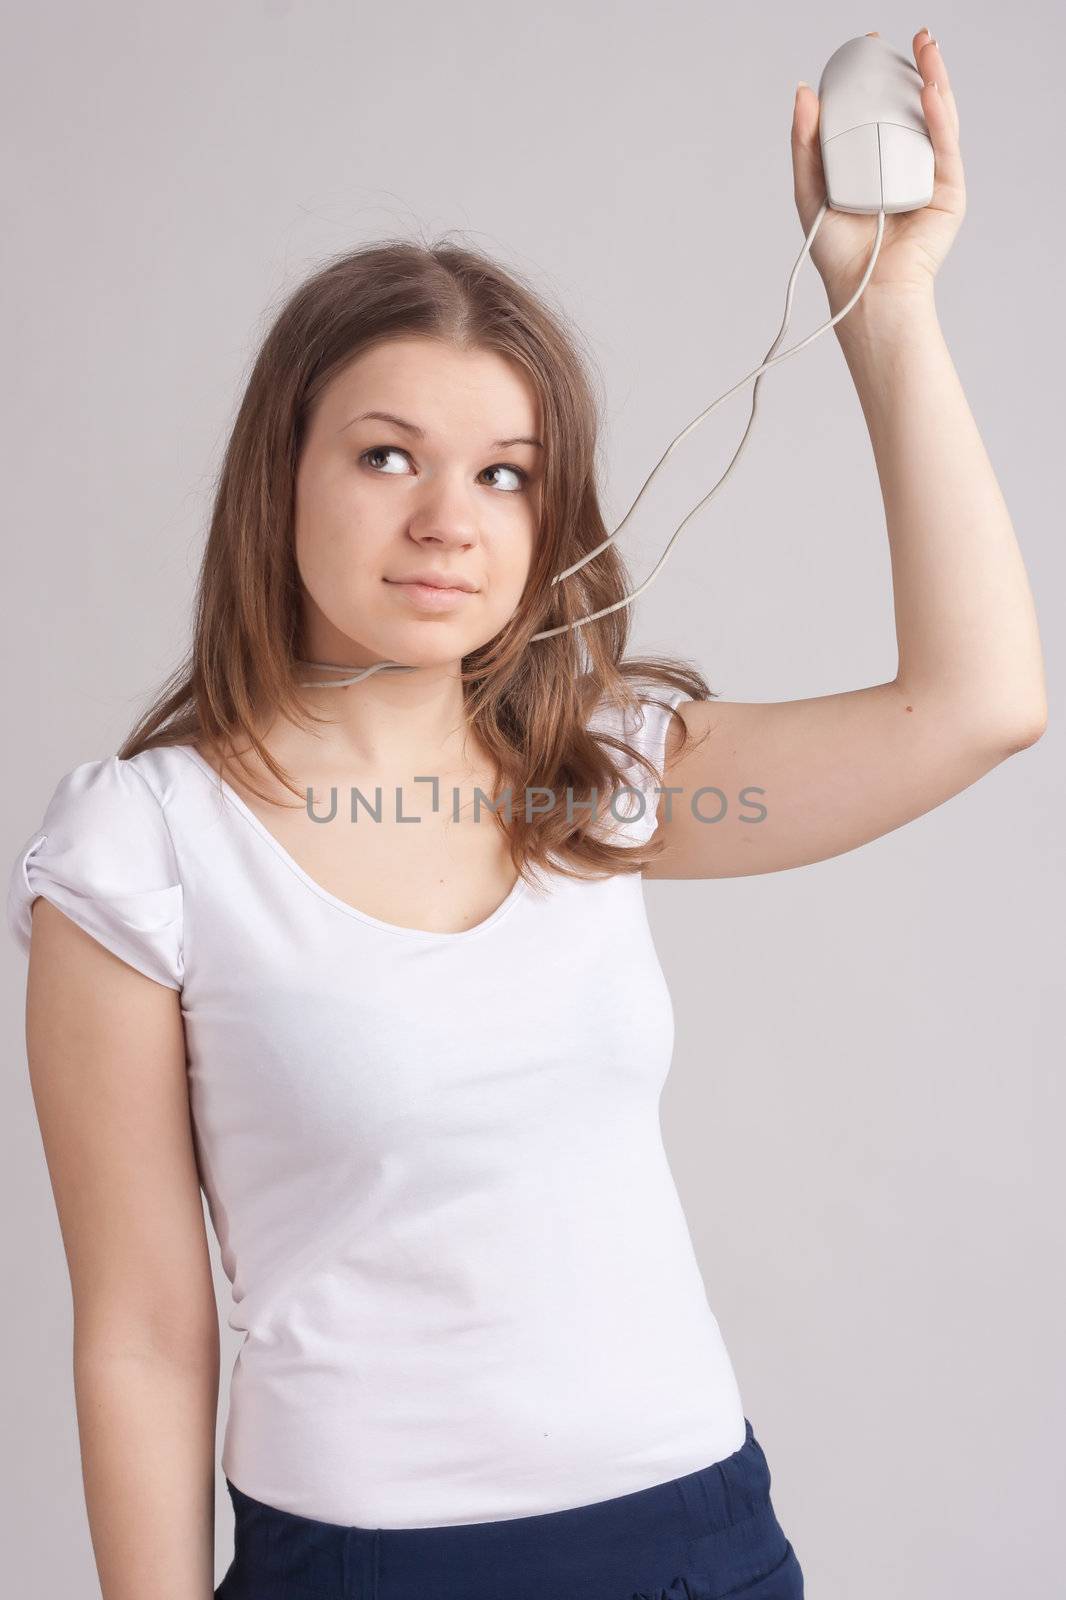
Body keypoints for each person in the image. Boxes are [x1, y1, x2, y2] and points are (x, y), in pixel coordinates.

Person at [6, 30, 1045, 1600]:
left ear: (549, 518)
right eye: (384, 457)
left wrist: (884, 309)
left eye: (504, 475)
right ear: (278, 481)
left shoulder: (597, 777)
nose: (446, 520)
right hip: (364, 1565)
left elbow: (978, 706)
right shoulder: (139, 851)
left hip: (697, 1538)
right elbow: (143, 1338)